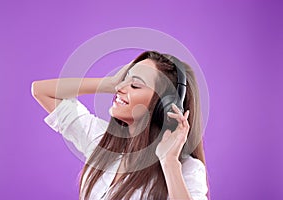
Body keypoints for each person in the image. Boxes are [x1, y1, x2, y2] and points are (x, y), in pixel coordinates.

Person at [31, 50, 209, 200]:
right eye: (125, 79)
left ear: (163, 107)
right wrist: (108, 83)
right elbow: (41, 91)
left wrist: (169, 162)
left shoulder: (186, 169)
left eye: (135, 85)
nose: (120, 88)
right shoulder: (101, 142)